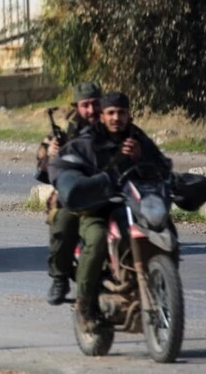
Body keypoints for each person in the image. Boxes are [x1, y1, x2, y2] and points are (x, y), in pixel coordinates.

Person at [48, 92, 171, 332]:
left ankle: (162, 284)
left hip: (131, 206)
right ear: (102, 117)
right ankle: (84, 307)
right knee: (96, 240)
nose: (117, 118)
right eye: (111, 113)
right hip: (95, 209)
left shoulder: (138, 139)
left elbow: (163, 168)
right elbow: (58, 166)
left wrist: (141, 158)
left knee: (164, 229)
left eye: (121, 113)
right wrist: (75, 184)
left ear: (129, 115)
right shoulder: (86, 142)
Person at [39, 82, 103, 306]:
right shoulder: (65, 131)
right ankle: (60, 277)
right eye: (86, 105)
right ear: (77, 106)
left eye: (96, 104)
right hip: (75, 193)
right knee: (64, 222)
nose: (92, 110)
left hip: (109, 189)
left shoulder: (112, 122)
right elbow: (43, 169)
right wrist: (50, 155)